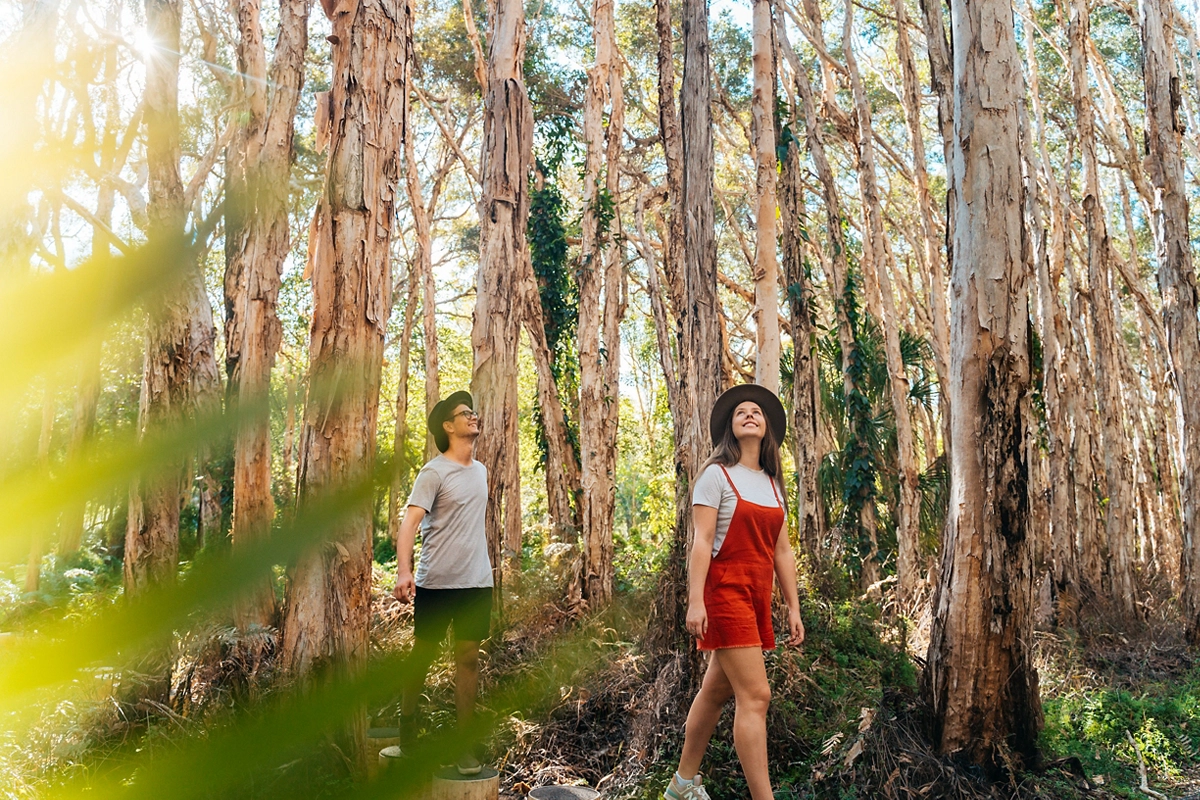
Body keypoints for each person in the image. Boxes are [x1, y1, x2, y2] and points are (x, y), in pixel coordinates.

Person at [663, 384, 805, 800]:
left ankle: (681, 786)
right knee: (757, 695)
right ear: (731, 426)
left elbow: (782, 550)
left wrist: (793, 607)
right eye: (740, 411)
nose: (748, 414)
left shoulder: (775, 485)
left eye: (756, 412)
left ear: (766, 429)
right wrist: (695, 601)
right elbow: (702, 542)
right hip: (725, 594)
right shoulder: (716, 476)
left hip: (757, 597)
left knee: (715, 692)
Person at [394, 390, 493, 776]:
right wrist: (404, 572)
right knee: (423, 656)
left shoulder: (481, 471)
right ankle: (407, 726)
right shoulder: (433, 472)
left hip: (476, 582)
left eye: (474, 410)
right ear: (448, 426)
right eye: (465, 413)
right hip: (437, 583)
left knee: (468, 660)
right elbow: (409, 525)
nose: (473, 416)